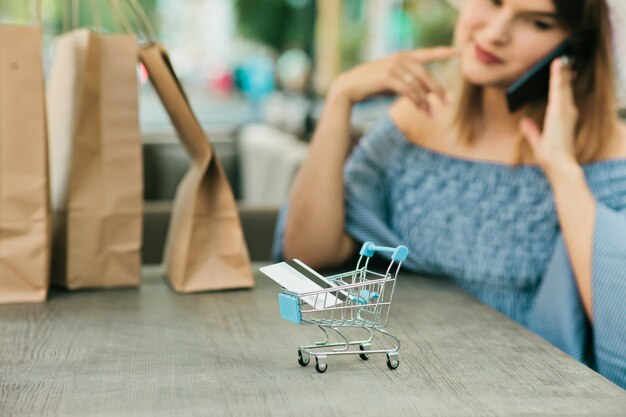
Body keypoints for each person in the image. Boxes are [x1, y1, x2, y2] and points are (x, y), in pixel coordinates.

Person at [272, 0, 626, 388]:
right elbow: (309, 252)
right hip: (401, 380)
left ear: (575, 46)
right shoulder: (413, 122)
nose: (495, 33)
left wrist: (562, 169)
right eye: (493, 2)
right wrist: (340, 98)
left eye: (538, 22)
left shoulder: (611, 156)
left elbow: (619, 331)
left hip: (535, 389)